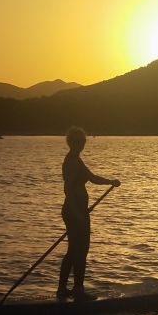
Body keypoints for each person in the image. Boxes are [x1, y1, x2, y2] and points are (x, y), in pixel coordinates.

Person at [58, 126, 121, 300]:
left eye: (83, 141)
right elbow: (68, 189)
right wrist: (77, 213)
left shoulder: (77, 160)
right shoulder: (71, 162)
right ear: (72, 142)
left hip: (79, 211)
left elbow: (92, 178)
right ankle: (74, 290)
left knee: (78, 249)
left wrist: (110, 181)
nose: (82, 144)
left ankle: (68, 289)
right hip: (74, 211)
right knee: (78, 250)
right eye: (79, 141)